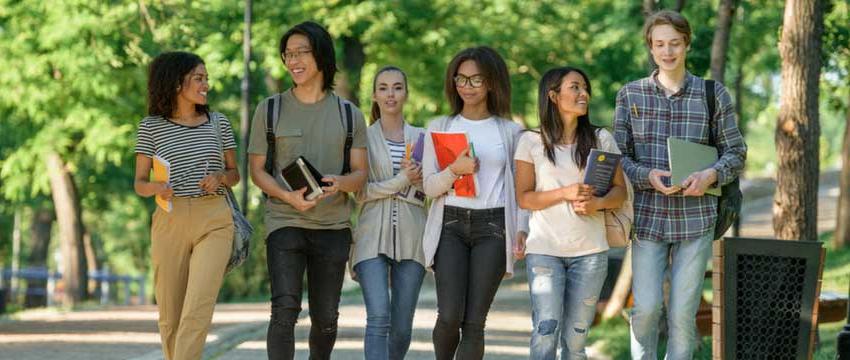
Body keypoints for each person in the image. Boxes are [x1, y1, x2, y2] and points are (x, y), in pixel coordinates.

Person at [613, 10, 747, 359]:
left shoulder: (712, 94)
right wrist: (647, 177)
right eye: (660, 44)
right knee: (645, 310)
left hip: (696, 219)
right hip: (648, 219)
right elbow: (619, 157)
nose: (667, 51)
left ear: (686, 43)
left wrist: (710, 175)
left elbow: (735, 151)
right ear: (651, 48)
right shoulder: (630, 95)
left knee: (682, 315)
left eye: (674, 43)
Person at [246, 21, 368, 360]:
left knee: (326, 318)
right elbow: (257, 170)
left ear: (321, 56)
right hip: (284, 220)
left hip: (333, 227)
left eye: (302, 52)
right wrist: (287, 197)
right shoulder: (269, 110)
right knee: (284, 310)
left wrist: (339, 184)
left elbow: (360, 174)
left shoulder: (349, 114)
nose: (293, 60)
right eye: (288, 54)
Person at [421, 46, 529, 360]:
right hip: (450, 224)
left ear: (492, 83)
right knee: (450, 315)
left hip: (494, 227)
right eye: (461, 79)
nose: (467, 86)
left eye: (476, 80)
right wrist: (455, 170)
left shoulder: (510, 132)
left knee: (474, 322)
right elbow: (429, 186)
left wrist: (521, 230)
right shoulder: (439, 126)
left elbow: (521, 189)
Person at [134, 51, 240, 360]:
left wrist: (220, 177)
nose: (206, 84)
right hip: (170, 218)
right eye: (199, 78)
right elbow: (139, 182)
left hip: (214, 218)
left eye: (206, 78)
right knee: (170, 316)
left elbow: (235, 174)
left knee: (197, 309)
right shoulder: (151, 126)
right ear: (177, 82)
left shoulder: (219, 122)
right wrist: (156, 187)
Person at [514, 66, 626, 359]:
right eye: (575, 87)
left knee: (576, 341)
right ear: (553, 96)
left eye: (585, 88)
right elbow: (524, 198)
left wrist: (596, 204)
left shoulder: (602, 139)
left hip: (590, 253)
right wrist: (564, 193)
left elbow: (620, 193)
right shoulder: (530, 141)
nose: (583, 93)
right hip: (544, 251)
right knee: (545, 331)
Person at [351, 66, 427, 360]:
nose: (390, 94)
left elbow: (430, 192)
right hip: (371, 238)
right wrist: (402, 180)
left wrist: (420, 182)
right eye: (383, 88)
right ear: (374, 95)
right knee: (379, 317)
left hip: (413, 239)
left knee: (401, 329)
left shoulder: (423, 138)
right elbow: (360, 192)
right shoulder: (363, 139)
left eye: (397, 87)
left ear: (406, 93)